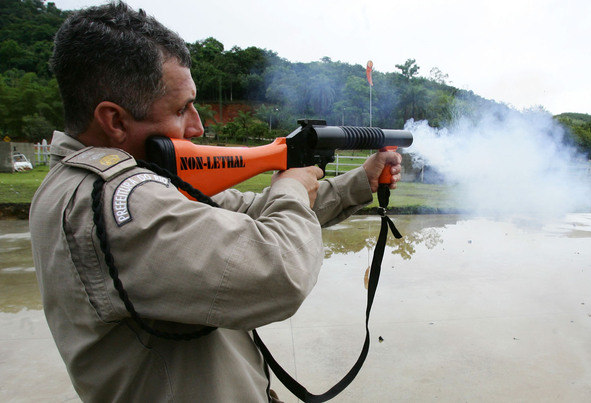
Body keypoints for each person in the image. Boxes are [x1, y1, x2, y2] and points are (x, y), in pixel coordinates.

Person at [29, 2, 402, 401]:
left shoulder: (125, 184)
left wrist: (359, 182)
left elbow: (250, 210)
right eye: (180, 109)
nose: (198, 125)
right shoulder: (111, 199)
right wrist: (291, 185)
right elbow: (280, 272)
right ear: (115, 120)